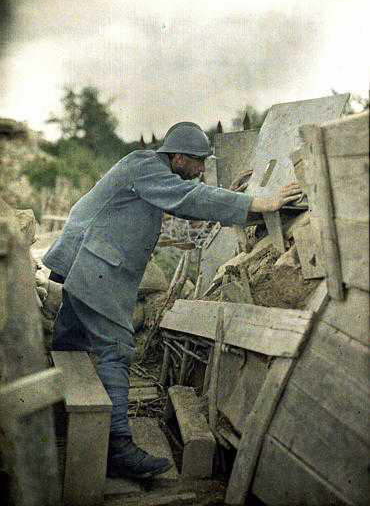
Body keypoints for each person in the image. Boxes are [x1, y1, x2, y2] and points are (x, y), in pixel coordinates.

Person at [42, 122, 301, 479]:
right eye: (196, 162)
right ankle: (117, 449)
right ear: (176, 157)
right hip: (97, 263)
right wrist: (259, 201)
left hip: (88, 259)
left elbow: (187, 201)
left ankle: (54, 418)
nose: (199, 170)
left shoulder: (150, 172)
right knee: (115, 348)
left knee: (69, 341)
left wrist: (245, 203)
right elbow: (189, 198)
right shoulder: (145, 165)